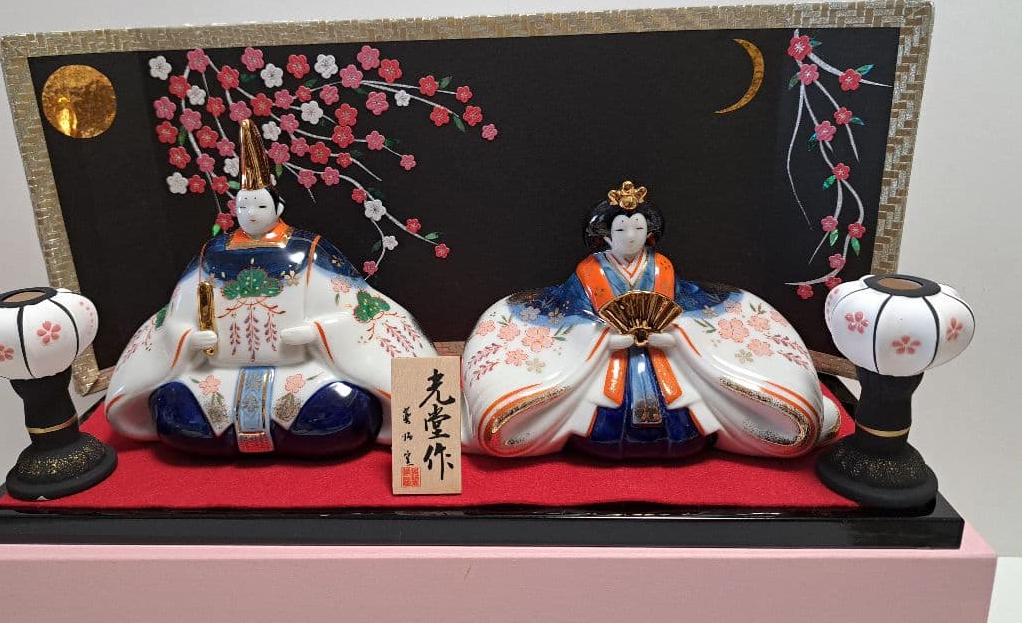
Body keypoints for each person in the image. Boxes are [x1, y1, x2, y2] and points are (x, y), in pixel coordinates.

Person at [106, 119, 435, 456]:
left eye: (260, 206)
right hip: (219, 375)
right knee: (173, 409)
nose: (251, 214)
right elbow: (177, 316)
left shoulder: (308, 251)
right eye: (243, 206)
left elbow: (354, 308)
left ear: (278, 208)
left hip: (301, 373)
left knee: (346, 409)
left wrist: (318, 332)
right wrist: (189, 338)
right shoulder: (212, 254)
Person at [461, 181, 839, 459]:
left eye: (639, 228)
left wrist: (672, 337)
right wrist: (603, 340)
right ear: (605, 236)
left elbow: (683, 305)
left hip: (664, 355)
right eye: (621, 230)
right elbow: (570, 312)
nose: (631, 236)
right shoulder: (589, 272)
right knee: (587, 414)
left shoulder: (662, 269)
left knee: (689, 412)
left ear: (650, 232)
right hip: (603, 358)